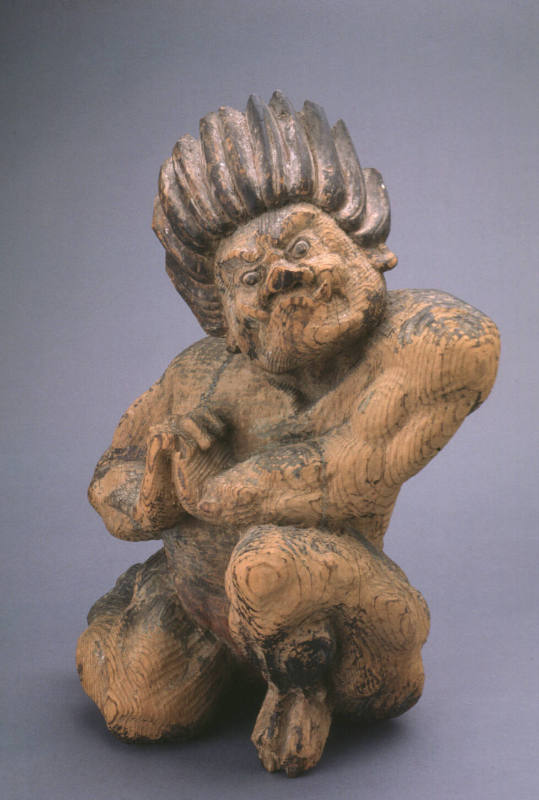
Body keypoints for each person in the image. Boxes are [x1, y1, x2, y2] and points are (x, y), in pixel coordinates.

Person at [77, 93, 499, 776]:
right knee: (140, 708)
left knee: (282, 573)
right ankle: (151, 603)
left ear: (369, 249)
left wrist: (209, 492)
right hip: (202, 601)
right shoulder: (200, 374)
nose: (282, 273)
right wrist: (155, 496)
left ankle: (303, 676)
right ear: (226, 322)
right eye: (248, 278)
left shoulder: (435, 336)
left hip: (338, 601)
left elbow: (351, 467)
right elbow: (112, 473)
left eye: (302, 245)